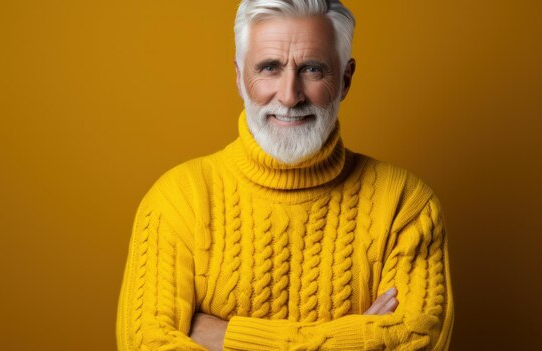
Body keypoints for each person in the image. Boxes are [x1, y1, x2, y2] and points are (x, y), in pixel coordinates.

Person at [116, 0, 454, 349]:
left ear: (346, 80)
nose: (290, 96)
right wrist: (360, 338)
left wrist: (226, 337)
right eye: (269, 68)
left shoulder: (405, 204)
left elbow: (419, 340)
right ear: (239, 78)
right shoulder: (179, 200)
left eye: (311, 69)